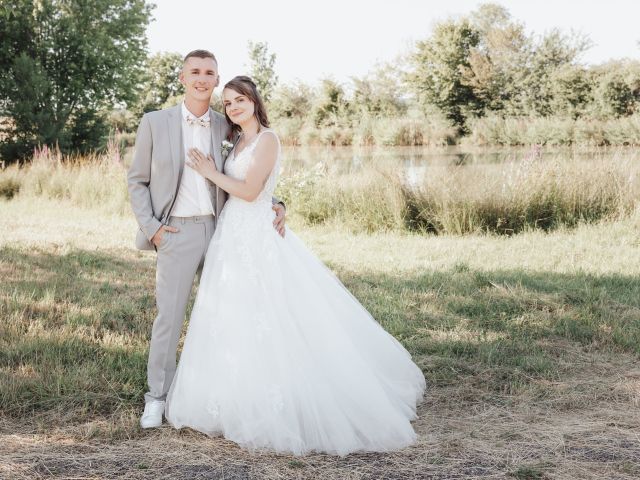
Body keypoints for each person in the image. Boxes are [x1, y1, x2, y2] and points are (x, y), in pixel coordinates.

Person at [164, 75, 426, 456]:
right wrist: (275, 201)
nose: (234, 107)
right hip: (232, 237)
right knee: (234, 315)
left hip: (256, 238)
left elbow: (253, 191)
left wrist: (212, 173)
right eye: (229, 102)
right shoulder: (236, 141)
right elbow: (251, 190)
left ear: (254, 101)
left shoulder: (268, 139)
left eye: (240, 100)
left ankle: (282, 399)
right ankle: (235, 394)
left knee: (271, 314)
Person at [127, 50, 286, 429]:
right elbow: (137, 181)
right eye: (195, 72)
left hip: (222, 231)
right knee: (169, 317)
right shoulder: (155, 122)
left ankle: (230, 393)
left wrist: (276, 203)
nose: (202, 78)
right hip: (176, 232)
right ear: (182, 78)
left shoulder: (226, 124)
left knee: (230, 313)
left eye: (210, 73)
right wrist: (153, 228)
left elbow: (250, 171)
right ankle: (157, 398)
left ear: (217, 81)